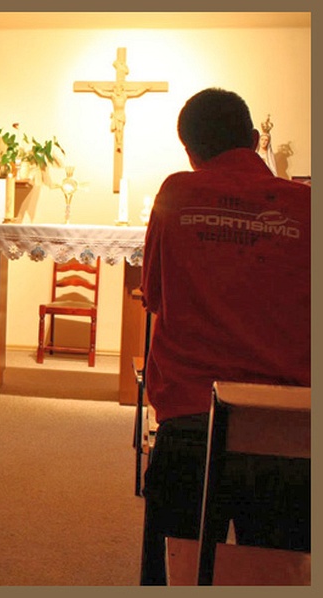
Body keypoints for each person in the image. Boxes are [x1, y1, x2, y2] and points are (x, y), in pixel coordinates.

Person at [139, 88, 310, 585]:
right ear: (254, 140)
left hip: (192, 420)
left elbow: (153, 294)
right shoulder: (307, 205)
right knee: (283, 573)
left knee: (175, 570)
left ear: (189, 151)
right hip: (288, 426)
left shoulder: (176, 193)